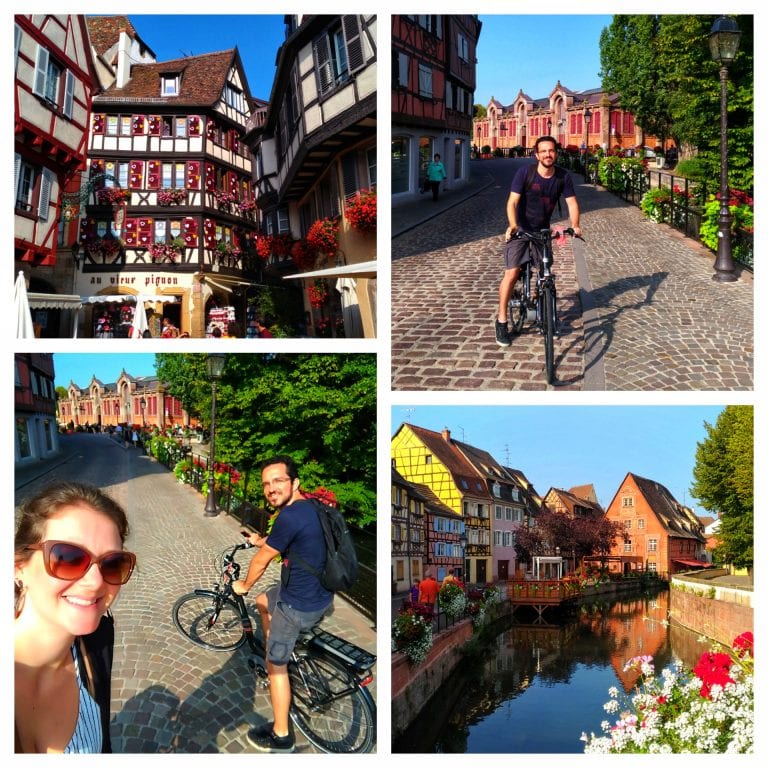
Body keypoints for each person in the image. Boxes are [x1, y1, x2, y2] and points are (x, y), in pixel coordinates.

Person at [14, 483, 136, 753]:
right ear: (18, 567)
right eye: (68, 558)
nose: (95, 583)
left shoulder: (97, 642)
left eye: (112, 563)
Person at [231, 455, 333, 753]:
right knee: (264, 602)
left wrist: (244, 586)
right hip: (321, 595)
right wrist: (260, 539)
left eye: (278, 481)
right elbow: (283, 541)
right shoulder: (310, 507)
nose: (270, 488)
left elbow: (263, 562)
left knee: (275, 666)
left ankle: (281, 734)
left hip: (298, 606)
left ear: (295, 482)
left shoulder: (289, 516)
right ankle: (274, 643)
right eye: (266, 483)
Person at [496, 135, 582, 347]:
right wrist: (513, 224)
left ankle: (542, 309)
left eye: (551, 150)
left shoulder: (562, 177)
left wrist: (576, 224)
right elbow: (512, 202)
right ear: (536, 155)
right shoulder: (525, 173)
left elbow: (572, 203)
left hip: (542, 231)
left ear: (556, 153)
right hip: (521, 229)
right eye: (543, 151)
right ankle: (501, 320)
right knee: (512, 273)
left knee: (545, 272)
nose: (547, 154)